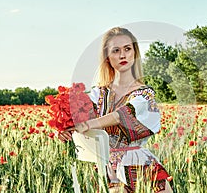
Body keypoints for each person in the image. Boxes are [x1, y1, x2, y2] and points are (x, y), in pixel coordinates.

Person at [59, 27, 173, 193]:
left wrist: (86, 124)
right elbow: (77, 118)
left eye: (127, 49)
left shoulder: (145, 94)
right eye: (116, 50)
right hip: (104, 169)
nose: (122, 55)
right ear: (107, 57)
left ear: (135, 53)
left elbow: (122, 115)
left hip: (140, 165)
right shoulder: (98, 93)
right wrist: (66, 129)